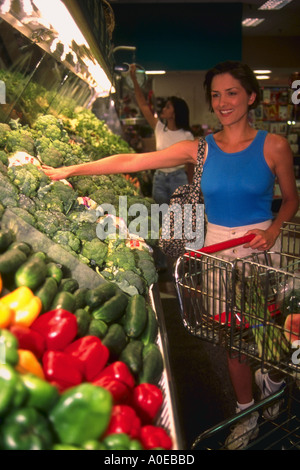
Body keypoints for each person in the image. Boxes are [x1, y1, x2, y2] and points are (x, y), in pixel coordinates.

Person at [42, 60, 299, 450]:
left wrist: (274, 228)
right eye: (216, 95)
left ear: (250, 96)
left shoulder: (274, 145)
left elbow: (291, 200)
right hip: (216, 251)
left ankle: (274, 381)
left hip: (262, 249)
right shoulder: (200, 149)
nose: (223, 102)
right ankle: (245, 413)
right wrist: (69, 169)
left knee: (270, 331)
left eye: (232, 93)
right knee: (233, 339)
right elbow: (132, 161)